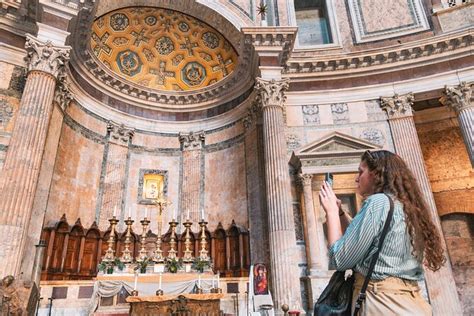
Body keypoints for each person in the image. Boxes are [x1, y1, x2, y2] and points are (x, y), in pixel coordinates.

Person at [319, 150, 445, 315]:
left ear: (376, 174)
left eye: (361, 171)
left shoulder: (377, 202)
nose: (357, 178)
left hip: (381, 303)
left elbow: (340, 259)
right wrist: (341, 213)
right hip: (410, 303)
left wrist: (331, 213)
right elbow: (369, 240)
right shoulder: (407, 207)